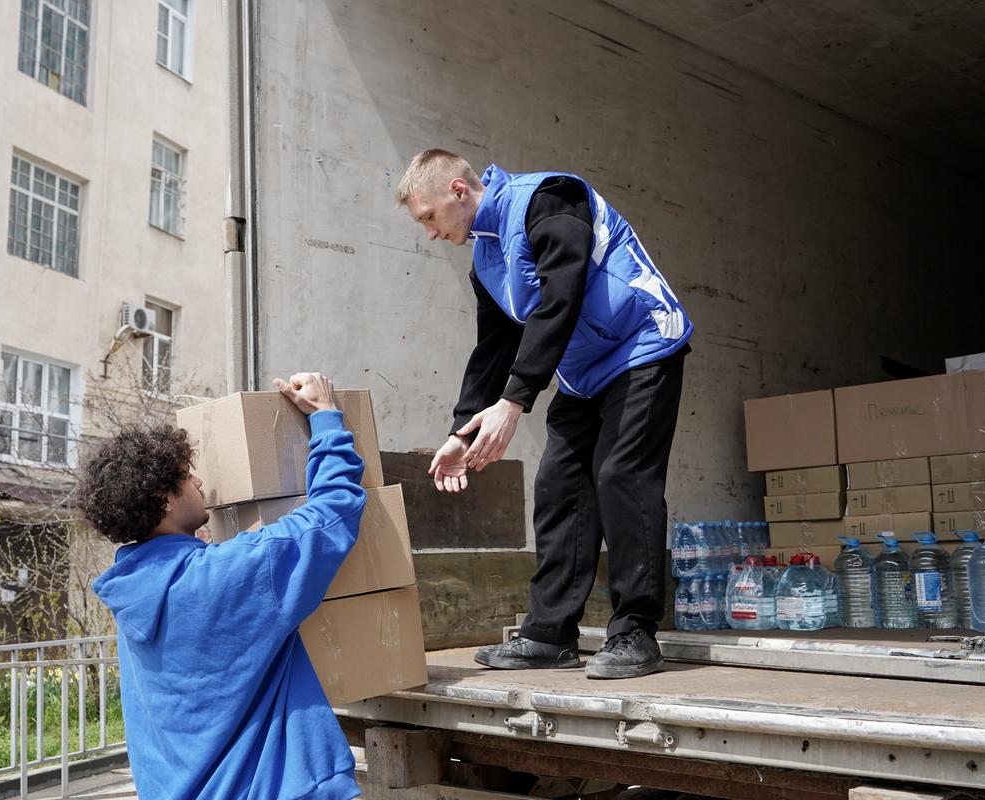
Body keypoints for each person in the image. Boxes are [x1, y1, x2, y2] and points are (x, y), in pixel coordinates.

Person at [396, 150, 693, 679]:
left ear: (458, 192)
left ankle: (635, 633)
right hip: (586, 370)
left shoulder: (550, 200)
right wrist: (461, 432)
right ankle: (549, 633)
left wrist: (516, 402)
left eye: (429, 218)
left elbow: (562, 297)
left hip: (643, 342)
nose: (431, 233)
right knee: (560, 487)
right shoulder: (487, 261)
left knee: (621, 476)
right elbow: (493, 348)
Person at [80, 373, 366, 799]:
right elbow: (333, 513)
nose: (199, 482)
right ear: (164, 498)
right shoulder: (225, 575)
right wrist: (326, 418)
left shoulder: (134, 593)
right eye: (186, 475)